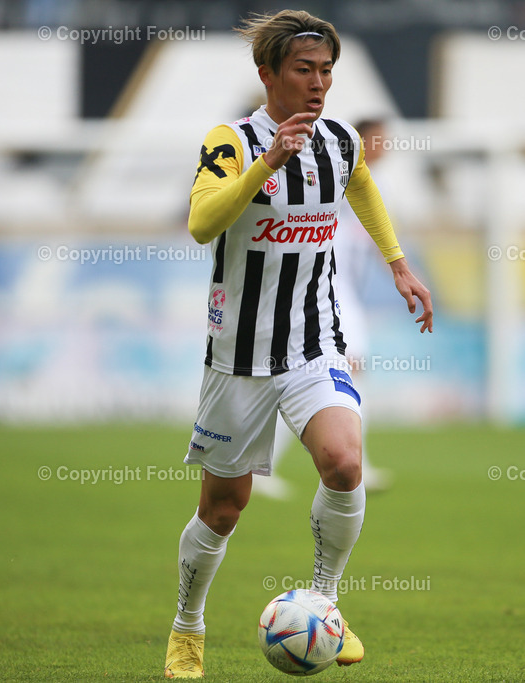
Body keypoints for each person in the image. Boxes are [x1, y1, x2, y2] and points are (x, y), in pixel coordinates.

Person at [163, 10, 434, 679]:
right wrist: (268, 163)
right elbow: (201, 223)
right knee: (222, 509)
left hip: (315, 344)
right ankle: (188, 625)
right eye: (303, 70)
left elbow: (361, 184)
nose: (318, 84)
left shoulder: (340, 140)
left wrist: (398, 263)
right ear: (268, 74)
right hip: (239, 358)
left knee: (344, 462)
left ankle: (324, 603)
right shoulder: (231, 141)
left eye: (326, 71)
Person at [254, 118, 395, 501]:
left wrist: (397, 267)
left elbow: (370, 240)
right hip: (329, 288)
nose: (386, 146)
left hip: (345, 292)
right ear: (362, 141)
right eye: (379, 139)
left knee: (346, 372)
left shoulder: (371, 185)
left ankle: (353, 461)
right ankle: (262, 465)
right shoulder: (337, 175)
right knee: (339, 370)